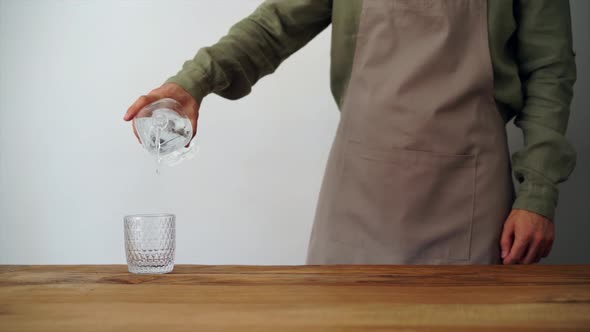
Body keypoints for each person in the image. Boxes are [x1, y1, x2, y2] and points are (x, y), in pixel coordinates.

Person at [124, 0, 576, 265]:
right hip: (359, 194)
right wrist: (194, 80)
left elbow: (550, 69)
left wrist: (538, 194)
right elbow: (274, 25)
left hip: (470, 199)